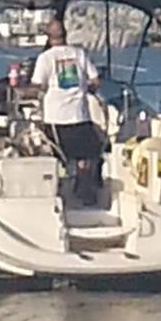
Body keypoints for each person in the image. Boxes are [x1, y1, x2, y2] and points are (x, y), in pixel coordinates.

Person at [31, 18, 101, 203]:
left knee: (55, 155)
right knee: (86, 155)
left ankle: (57, 193)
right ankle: (84, 189)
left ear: (48, 37)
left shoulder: (45, 58)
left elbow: (38, 86)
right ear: (66, 35)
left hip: (56, 118)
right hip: (79, 115)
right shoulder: (78, 54)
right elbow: (95, 81)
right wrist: (85, 89)